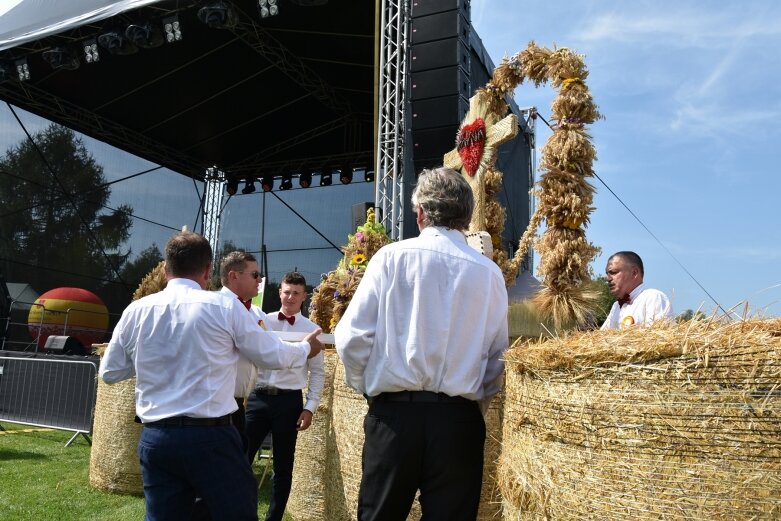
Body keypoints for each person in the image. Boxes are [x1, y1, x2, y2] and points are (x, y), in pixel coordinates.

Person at [99, 231, 323, 521]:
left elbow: (110, 372)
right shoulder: (223, 307)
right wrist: (307, 348)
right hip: (210, 437)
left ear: (167, 269)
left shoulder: (136, 310)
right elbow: (271, 355)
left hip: (157, 438)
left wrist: (154, 355)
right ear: (207, 270)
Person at [335, 167, 509, 521]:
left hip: (396, 416)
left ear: (420, 214)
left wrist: (367, 387)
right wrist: (471, 408)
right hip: (459, 420)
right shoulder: (489, 272)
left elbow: (352, 336)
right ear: (465, 216)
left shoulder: (391, 257)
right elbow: (496, 360)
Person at [245, 272, 325, 521]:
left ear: (304, 296)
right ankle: (241, 512)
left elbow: (318, 374)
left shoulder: (312, 330)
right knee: (240, 459)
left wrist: (310, 408)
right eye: (286, 291)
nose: (290, 297)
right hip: (258, 398)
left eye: (296, 293)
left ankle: (274, 518)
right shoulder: (261, 321)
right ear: (279, 292)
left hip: (289, 402)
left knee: (283, 467)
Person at [217, 251, 268, 450]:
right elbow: (269, 352)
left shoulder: (256, 313)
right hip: (218, 405)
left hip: (239, 404)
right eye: (255, 274)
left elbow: (265, 346)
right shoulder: (217, 308)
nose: (261, 279)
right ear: (233, 276)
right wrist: (305, 348)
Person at [600, 250, 674, 330]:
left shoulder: (653, 297)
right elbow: (600, 339)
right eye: (607, 274)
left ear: (634, 273)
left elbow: (657, 337)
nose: (608, 279)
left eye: (613, 272)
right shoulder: (616, 306)